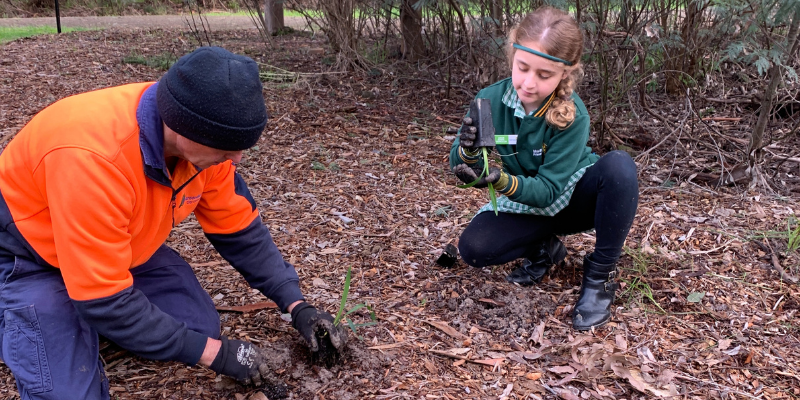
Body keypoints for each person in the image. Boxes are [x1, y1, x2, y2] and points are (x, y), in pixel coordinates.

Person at [0, 46, 346, 399]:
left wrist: (296, 305)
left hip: (119, 248)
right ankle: (26, 319)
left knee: (198, 326)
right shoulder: (92, 157)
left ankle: (81, 318)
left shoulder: (203, 136)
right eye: (228, 148)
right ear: (185, 130)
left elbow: (240, 231)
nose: (236, 158)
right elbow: (103, 298)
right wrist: (219, 355)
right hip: (32, 258)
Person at [449, 7, 639, 331]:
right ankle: (544, 249)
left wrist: (505, 181)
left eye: (544, 75)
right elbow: (460, 164)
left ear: (565, 74)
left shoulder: (572, 115)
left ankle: (600, 278)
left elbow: (550, 189)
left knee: (620, 167)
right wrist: (467, 152)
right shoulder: (489, 101)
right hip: (525, 201)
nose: (529, 83)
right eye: (522, 68)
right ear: (513, 56)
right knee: (473, 249)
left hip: (573, 196)